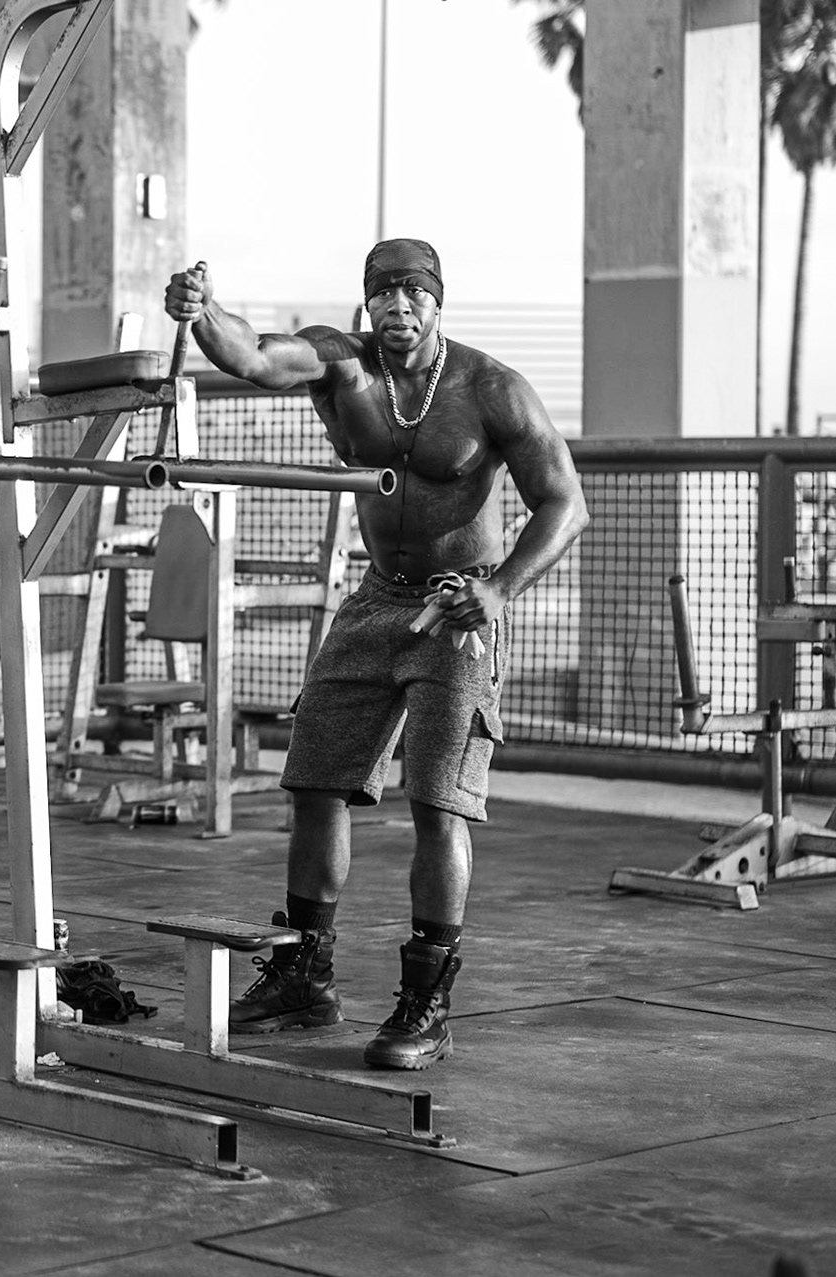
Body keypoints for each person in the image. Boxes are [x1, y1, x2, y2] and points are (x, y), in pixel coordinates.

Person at [162, 239, 589, 1070]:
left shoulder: (490, 388)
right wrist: (203, 312)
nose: (399, 306)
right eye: (384, 292)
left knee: (438, 804)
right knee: (315, 781)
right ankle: (303, 978)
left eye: (414, 292)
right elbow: (254, 356)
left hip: (458, 607)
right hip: (374, 598)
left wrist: (499, 590)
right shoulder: (343, 363)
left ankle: (427, 1002)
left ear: (437, 301)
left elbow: (565, 503)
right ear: (367, 302)